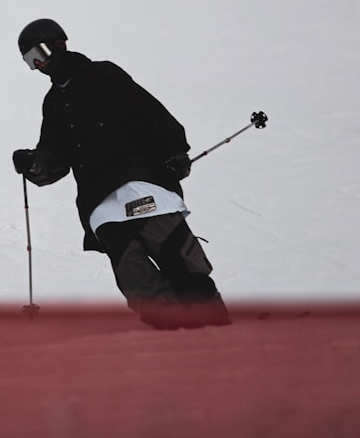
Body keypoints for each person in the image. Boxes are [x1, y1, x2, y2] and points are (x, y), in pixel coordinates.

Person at [12, 18, 229, 329]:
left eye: (39, 54)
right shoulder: (54, 103)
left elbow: (150, 112)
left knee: (178, 258)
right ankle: (173, 336)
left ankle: (214, 326)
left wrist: (174, 151)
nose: (39, 65)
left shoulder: (103, 74)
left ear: (59, 44)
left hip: (142, 183)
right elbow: (54, 158)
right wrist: (35, 163)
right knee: (135, 277)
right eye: (30, 61)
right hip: (100, 203)